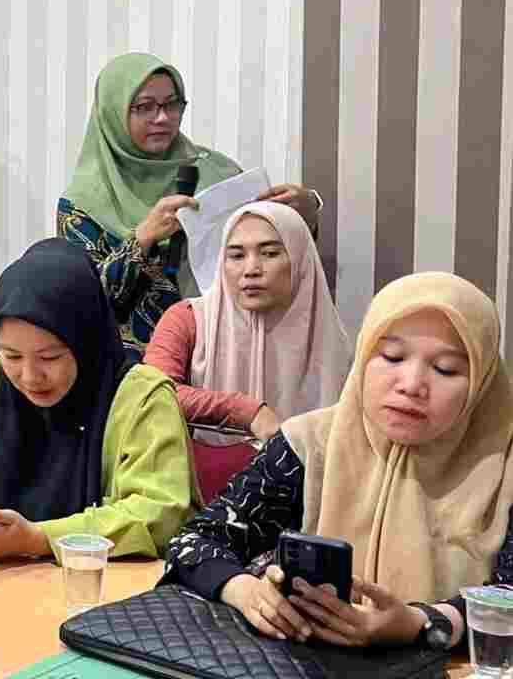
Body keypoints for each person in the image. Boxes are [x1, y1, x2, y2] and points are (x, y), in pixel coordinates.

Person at [165, 272, 513, 653]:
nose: (412, 384)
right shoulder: (308, 444)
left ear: (482, 382)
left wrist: (421, 623)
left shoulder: (504, 466)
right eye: (392, 357)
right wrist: (245, 591)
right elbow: (194, 541)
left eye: (445, 368)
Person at [0, 239, 199, 562]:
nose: (30, 377)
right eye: (12, 356)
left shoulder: (142, 397)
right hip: (7, 577)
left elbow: (159, 513)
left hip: (106, 583)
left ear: (85, 341)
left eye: (50, 357)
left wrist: (39, 539)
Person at [59, 52, 323, 358]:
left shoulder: (217, 172)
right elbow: (83, 302)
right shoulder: (82, 204)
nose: (162, 117)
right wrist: (143, 238)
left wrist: (306, 212)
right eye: (144, 107)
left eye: (172, 104)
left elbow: (277, 258)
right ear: (113, 113)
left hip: (222, 354)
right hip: (130, 366)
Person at [143, 202, 351, 440]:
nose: (251, 269)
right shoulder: (188, 318)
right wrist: (244, 411)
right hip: (202, 462)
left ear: (300, 260)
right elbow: (151, 393)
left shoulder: (329, 337)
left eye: (270, 253)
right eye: (237, 256)